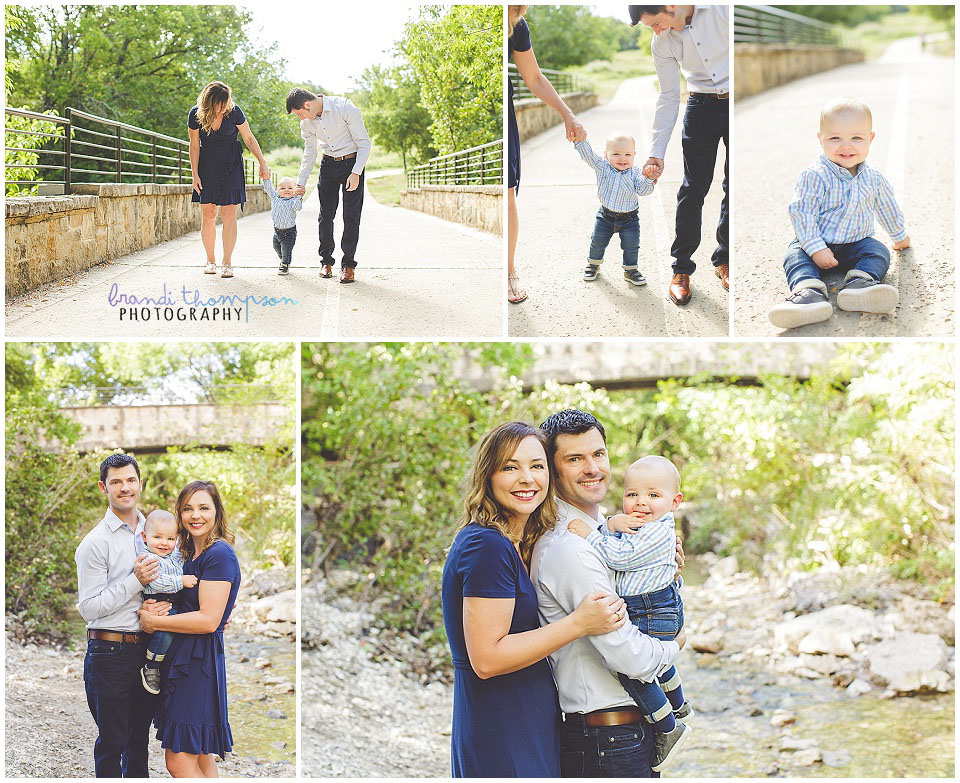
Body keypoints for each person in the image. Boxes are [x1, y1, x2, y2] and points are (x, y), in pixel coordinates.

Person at [441, 421, 629, 777]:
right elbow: (487, 658)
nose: (527, 478)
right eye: (510, 467)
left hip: (526, 718)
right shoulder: (486, 546)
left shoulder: (514, 541)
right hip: (501, 722)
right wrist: (577, 623)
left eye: (537, 466)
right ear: (488, 475)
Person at [532, 409, 686, 778]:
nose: (592, 468)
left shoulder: (611, 532)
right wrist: (676, 645)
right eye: (574, 459)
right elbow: (627, 657)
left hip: (620, 737)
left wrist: (666, 573)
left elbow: (641, 605)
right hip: (607, 740)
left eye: (598, 454)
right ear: (553, 472)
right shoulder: (571, 547)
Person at [567, 455, 692, 771]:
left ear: (674, 501)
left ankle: (668, 726)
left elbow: (619, 558)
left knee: (634, 670)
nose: (641, 503)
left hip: (652, 607)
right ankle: (679, 706)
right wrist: (609, 524)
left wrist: (591, 534)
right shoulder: (646, 525)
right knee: (656, 666)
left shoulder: (657, 531)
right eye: (632, 494)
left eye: (653, 495)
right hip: (652, 603)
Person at [769, 96, 909, 329]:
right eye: (835, 138)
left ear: (870, 139)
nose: (846, 146)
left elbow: (888, 209)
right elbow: (802, 213)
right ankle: (808, 292)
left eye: (856, 138)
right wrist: (816, 249)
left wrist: (899, 236)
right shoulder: (815, 175)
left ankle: (860, 284)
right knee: (794, 256)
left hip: (856, 243)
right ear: (820, 139)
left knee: (878, 251)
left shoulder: (874, 178)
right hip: (816, 242)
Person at [138, 480, 241, 778]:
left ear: (217, 512)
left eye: (204, 508)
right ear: (179, 514)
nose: (196, 515)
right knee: (199, 758)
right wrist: (145, 609)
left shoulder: (218, 554)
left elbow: (208, 620)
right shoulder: (183, 554)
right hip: (182, 658)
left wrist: (153, 622)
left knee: (179, 760)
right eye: (188, 508)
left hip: (198, 664)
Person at [75, 453, 168, 777]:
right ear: (104, 487)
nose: (125, 487)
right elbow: (87, 608)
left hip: (148, 650)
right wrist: (134, 581)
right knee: (113, 741)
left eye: (130, 480)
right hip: (109, 651)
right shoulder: (95, 543)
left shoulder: (155, 531)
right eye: (116, 482)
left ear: (139, 484)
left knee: (138, 742)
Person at [629, 5, 729, 305]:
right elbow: (669, 95)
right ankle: (681, 270)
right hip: (700, 108)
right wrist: (655, 152)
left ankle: (724, 260)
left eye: (656, 23)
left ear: (670, 5)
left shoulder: (722, 11)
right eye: (650, 27)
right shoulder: (662, 41)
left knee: (731, 186)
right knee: (692, 189)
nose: (655, 31)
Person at [508, 5, 587, 304]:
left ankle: (509, 273)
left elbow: (535, 78)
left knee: (507, 196)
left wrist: (568, 115)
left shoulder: (518, 24)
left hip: (504, 112)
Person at [286, 87, 371, 284]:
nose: (300, 118)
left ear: (308, 105)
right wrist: (301, 182)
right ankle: (326, 262)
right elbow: (309, 152)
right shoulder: (307, 122)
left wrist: (356, 172)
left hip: (352, 163)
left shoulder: (345, 108)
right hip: (328, 164)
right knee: (325, 215)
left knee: (351, 216)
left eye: (300, 113)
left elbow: (364, 143)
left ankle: (348, 265)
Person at [188, 81, 271, 278]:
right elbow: (194, 146)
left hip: (231, 163)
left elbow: (248, 138)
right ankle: (210, 260)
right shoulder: (195, 114)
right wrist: (194, 175)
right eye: (220, 103)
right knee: (208, 213)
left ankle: (227, 262)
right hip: (207, 164)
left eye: (226, 102)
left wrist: (262, 162)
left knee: (228, 213)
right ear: (210, 101)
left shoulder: (234, 112)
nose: (224, 107)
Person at [574, 130, 656, 285]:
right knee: (597, 242)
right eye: (616, 154)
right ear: (606, 155)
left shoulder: (636, 172)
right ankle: (593, 265)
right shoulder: (602, 167)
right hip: (605, 216)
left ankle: (630, 270)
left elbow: (643, 190)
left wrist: (649, 179)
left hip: (629, 219)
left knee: (631, 245)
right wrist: (579, 141)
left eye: (627, 154)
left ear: (634, 154)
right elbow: (588, 155)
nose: (622, 159)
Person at [139, 509, 198, 695]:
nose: (164, 543)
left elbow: (183, 548)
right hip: (159, 600)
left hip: (176, 600)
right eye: (157, 537)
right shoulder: (148, 558)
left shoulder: (173, 555)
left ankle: (165, 666)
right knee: (165, 633)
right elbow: (156, 581)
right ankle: (151, 666)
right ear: (144, 537)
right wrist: (180, 581)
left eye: (170, 539)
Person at [261, 174, 303, 275]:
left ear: (294, 190)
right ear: (277, 190)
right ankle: (283, 259)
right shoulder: (275, 198)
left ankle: (285, 264)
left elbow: (298, 208)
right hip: (277, 231)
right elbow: (268, 188)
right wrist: (265, 178)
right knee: (276, 247)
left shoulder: (293, 201)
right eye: (282, 188)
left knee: (286, 249)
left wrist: (298, 196)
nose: (286, 190)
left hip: (289, 232)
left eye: (290, 188)